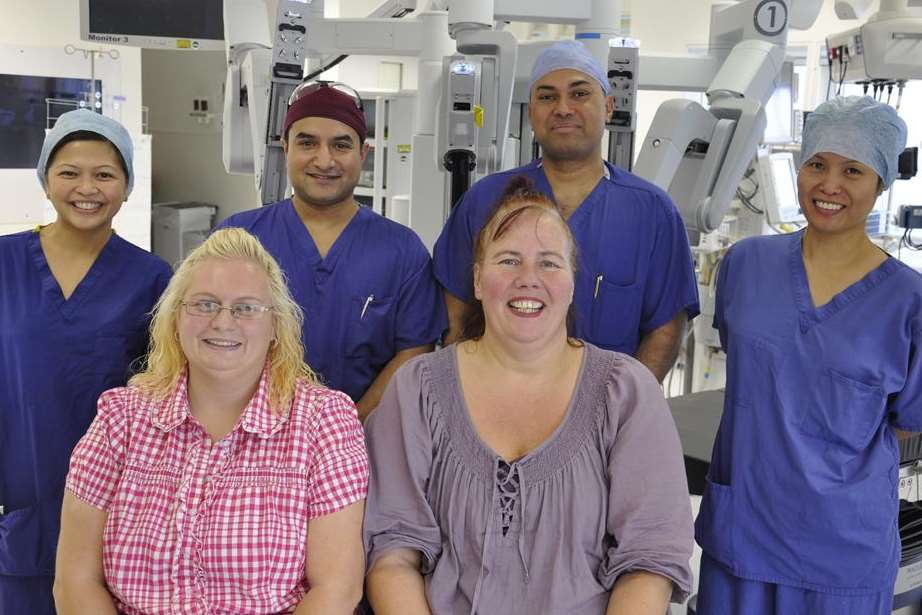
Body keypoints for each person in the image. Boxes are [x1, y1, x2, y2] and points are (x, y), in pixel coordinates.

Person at [363, 177, 694, 614]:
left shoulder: (626, 392)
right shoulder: (418, 390)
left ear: (572, 280)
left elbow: (649, 563)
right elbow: (392, 555)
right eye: (508, 261)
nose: (528, 280)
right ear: (478, 280)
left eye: (549, 264)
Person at [54, 228, 368, 614]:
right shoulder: (121, 417)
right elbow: (75, 580)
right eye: (204, 304)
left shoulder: (324, 422)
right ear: (175, 317)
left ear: (275, 327)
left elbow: (337, 588)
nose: (222, 322)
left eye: (246, 308)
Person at [694, 96, 922, 615]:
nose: (829, 184)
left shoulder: (909, 301)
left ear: (881, 182)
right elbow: (757, 365)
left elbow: (907, 421)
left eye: (853, 170)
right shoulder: (745, 266)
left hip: (842, 551)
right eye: (817, 164)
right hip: (743, 532)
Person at [433, 39, 698, 381]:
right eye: (546, 96)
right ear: (531, 113)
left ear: (609, 107)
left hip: (608, 414)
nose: (562, 108)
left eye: (579, 94)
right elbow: (455, 316)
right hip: (496, 402)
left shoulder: (652, 212)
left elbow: (665, 330)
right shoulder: (485, 200)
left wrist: (624, 411)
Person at [0, 109, 172, 614]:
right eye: (69, 173)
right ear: (45, 180)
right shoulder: (4, 263)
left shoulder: (153, 278)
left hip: (118, 503)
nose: (86, 188)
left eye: (104, 174)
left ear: (127, 185)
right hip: (19, 496)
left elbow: (164, 394)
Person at [216, 81, 445, 419]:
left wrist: (347, 427)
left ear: (362, 153)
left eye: (341, 145)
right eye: (307, 143)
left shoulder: (400, 250)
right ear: (285, 147)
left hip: (363, 438)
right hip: (248, 436)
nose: (324, 160)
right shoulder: (240, 238)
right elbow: (207, 335)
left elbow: (413, 351)